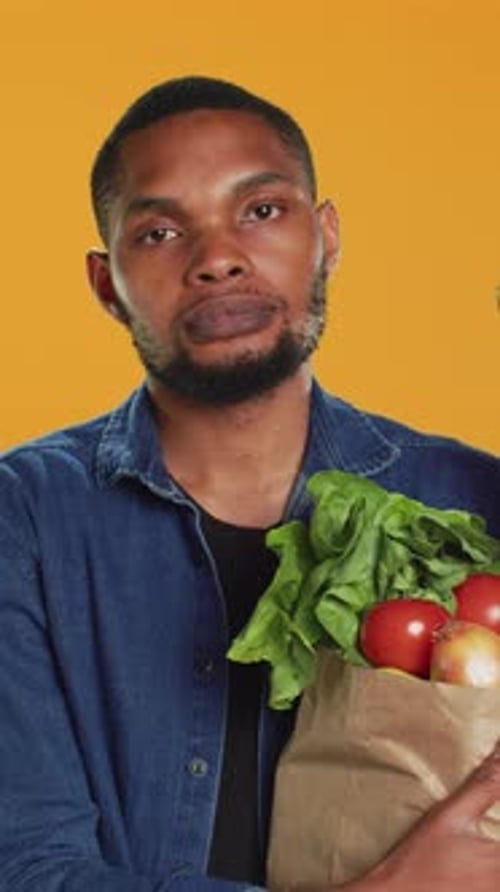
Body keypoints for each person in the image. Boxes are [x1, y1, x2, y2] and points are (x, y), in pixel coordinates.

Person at [0, 75, 499, 892]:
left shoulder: (472, 501)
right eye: (161, 232)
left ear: (326, 236)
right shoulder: (24, 517)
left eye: (261, 210)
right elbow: (25, 868)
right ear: (106, 285)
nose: (217, 259)